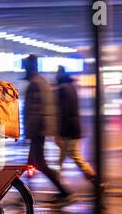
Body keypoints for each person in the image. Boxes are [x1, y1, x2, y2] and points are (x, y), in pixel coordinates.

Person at [23, 55, 75, 204]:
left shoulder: (35, 84)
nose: (24, 70)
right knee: (31, 163)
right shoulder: (41, 82)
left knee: (39, 164)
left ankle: (64, 192)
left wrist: (29, 132)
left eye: (25, 67)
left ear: (30, 68)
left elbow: (35, 110)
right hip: (41, 129)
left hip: (38, 131)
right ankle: (26, 195)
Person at [55, 65, 97, 184]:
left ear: (59, 75)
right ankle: (58, 183)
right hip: (74, 128)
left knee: (74, 156)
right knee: (63, 158)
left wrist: (59, 132)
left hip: (68, 130)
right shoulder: (71, 87)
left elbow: (63, 111)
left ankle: (93, 177)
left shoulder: (62, 89)